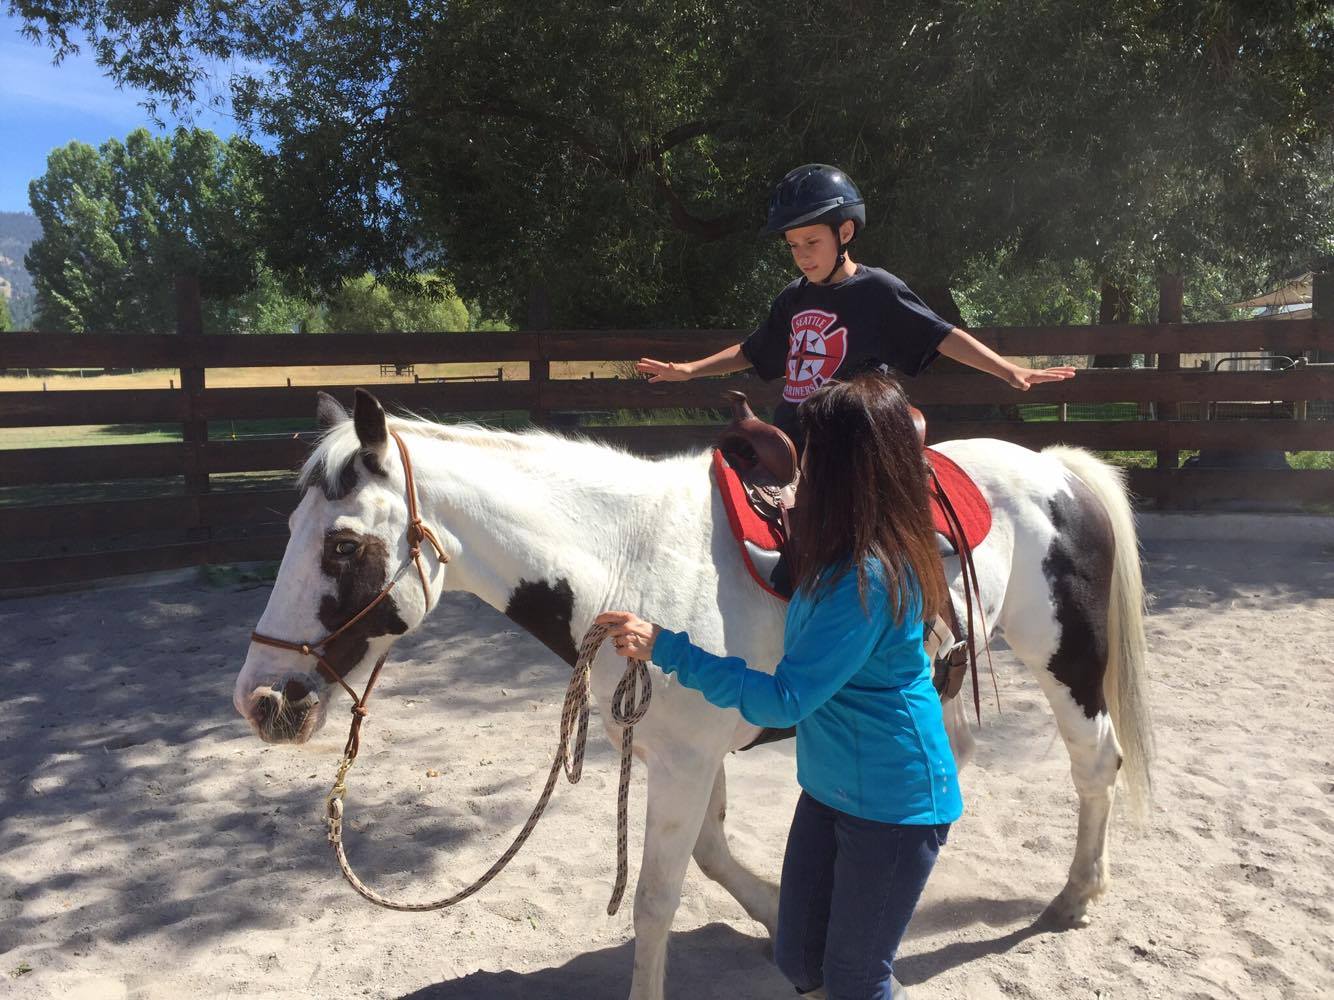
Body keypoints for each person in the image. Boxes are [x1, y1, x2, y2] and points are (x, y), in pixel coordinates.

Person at [598, 372, 962, 1000]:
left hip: (894, 804)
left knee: (856, 979)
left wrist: (668, 647)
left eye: (813, 451)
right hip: (829, 791)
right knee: (796, 957)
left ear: (849, 468)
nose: (801, 465)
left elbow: (783, 700)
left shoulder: (865, 579)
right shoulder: (834, 551)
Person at [636, 162, 1075, 447]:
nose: (803, 254)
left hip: (851, 441)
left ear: (844, 233)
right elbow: (752, 351)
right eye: (793, 245)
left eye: (812, 241)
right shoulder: (794, 297)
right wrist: (689, 370)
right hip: (791, 434)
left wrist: (1008, 370)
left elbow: (942, 336)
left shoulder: (877, 290)